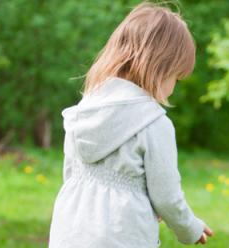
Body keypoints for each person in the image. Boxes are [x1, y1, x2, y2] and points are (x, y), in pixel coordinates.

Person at [48, 3, 213, 247]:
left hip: (70, 229)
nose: (174, 86)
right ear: (160, 68)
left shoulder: (85, 109)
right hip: (122, 234)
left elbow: (70, 174)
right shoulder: (153, 122)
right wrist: (190, 228)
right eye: (176, 77)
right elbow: (167, 197)